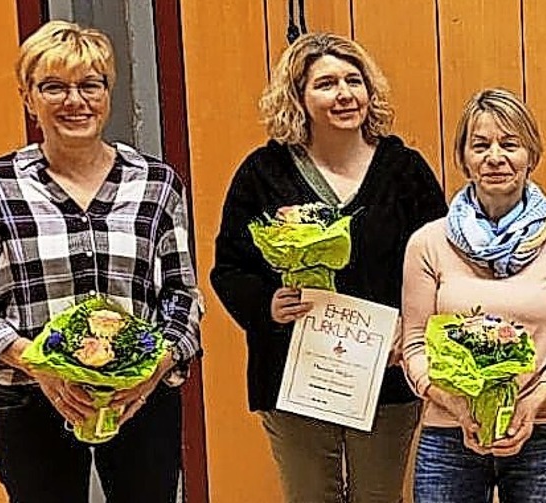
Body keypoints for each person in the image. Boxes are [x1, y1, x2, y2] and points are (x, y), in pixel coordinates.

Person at [0, 20, 202, 503]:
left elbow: (182, 296)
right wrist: (41, 367)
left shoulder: (158, 183)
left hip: (140, 399)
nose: (75, 101)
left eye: (90, 85)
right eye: (54, 87)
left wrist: (154, 368)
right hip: (30, 397)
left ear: (108, 94)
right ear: (28, 98)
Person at [210, 32, 447, 503]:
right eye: (326, 84)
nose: (344, 94)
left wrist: (414, 331)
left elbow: (439, 265)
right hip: (294, 372)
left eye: (353, 81)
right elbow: (229, 266)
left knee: (378, 497)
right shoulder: (264, 173)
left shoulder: (405, 171)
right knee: (310, 496)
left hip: (387, 371)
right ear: (298, 97)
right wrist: (265, 304)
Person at [402, 87, 546, 502]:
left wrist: (532, 404)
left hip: (545, 434)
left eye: (510, 144)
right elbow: (414, 345)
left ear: (531, 155)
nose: (495, 157)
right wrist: (456, 407)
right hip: (449, 435)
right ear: (464, 158)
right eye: (480, 145)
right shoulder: (427, 243)